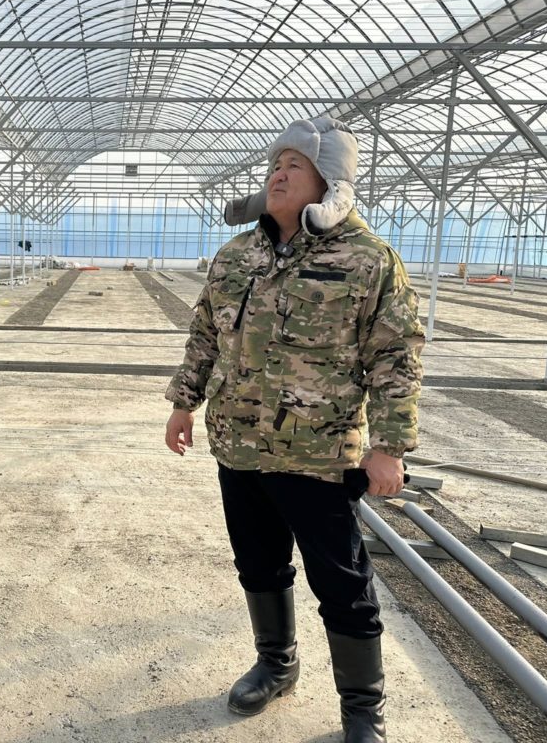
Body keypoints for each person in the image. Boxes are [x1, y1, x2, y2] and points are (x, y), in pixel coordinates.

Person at [164, 116, 423, 743]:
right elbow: (205, 334)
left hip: (320, 455)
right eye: (275, 165)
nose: (278, 175)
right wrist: (183, 403)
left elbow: (396, 356)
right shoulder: (237, 255)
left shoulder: (367, 259)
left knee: (342, 583)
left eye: (294, 166)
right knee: (259, 565)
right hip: (239, 446)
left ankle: (362, 709)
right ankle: (276, 664)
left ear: (328, 181)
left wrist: (389, 447)